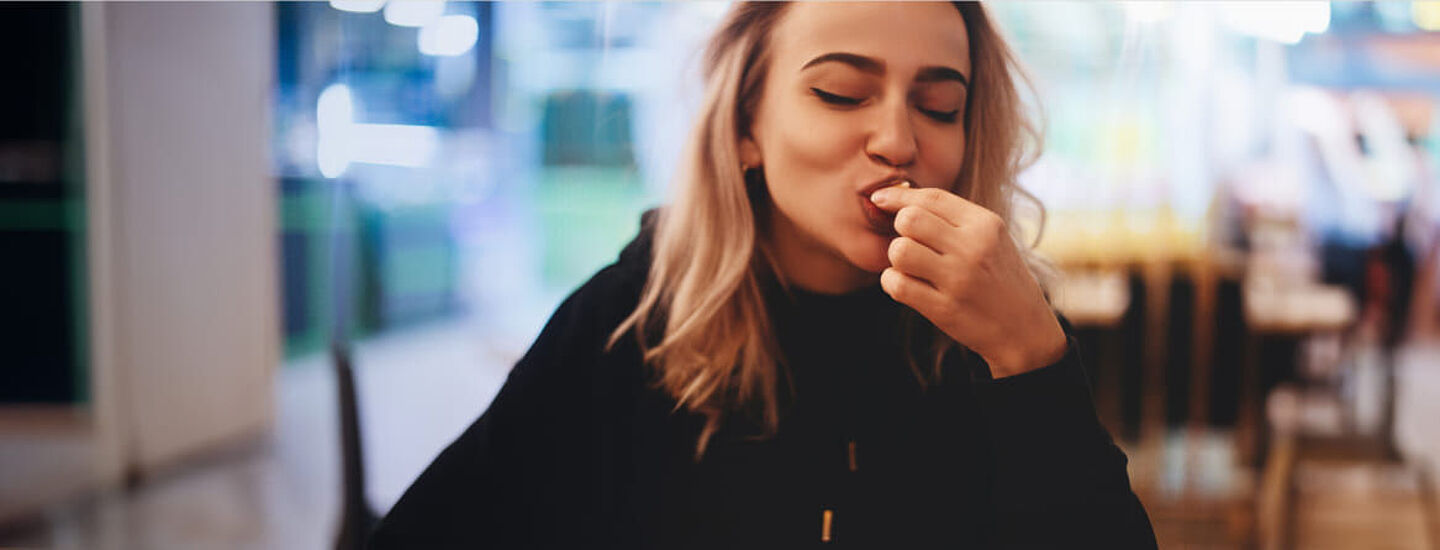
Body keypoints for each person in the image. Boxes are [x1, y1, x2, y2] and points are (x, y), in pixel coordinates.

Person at [368, 2, 1158, 548]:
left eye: (940, 106)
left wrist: (1032, 361)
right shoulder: (634, 318)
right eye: (840, 92)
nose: (897, 139)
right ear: (747, 125)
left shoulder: (998, 334)